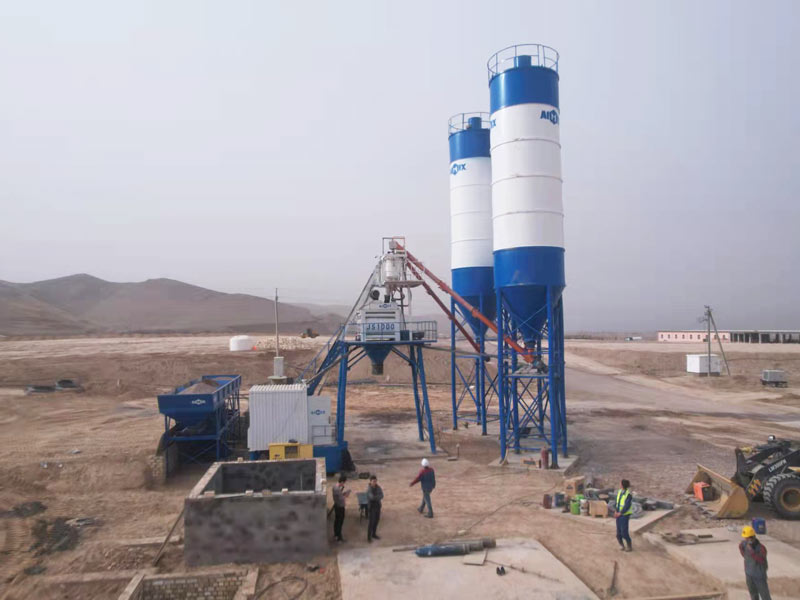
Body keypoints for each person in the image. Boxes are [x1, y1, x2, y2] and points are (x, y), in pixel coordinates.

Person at [739, 525, 771, 600]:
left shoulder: (761, 548)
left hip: (759, 576)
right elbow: (742, 552)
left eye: (747, 538)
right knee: (753, 595)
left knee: (765, 596)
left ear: (752, 537)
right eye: (745, 538)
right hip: (749, 575)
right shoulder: (744, 544)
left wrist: (752, 552)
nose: (745, 539)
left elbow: (761, 559)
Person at [614, 479, 633, 552]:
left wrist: (620, 513)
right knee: (618, 533)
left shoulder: (628, 494)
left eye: (620, 483)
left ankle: (629, 546)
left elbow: (627, 506)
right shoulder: (619, 492)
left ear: (622, 485)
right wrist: (616, 510)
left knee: (624, 532)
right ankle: (622, 545)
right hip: (618, 514)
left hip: (624, 515)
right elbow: (617, 502)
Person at [332, 474, 350, 542]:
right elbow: (341, 498)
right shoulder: (337, 489)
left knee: (337, 521)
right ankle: (339, 536)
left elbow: (340, 495)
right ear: (342, 482)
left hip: (337, 505)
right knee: (340, 522)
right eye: (344, 482)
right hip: (340, 507)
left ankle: (336, 535)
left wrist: (343, 493)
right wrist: (346, 494)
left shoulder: (335, 486)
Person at [366, 475, 384, 542]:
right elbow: (372, 497)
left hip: (378, 506)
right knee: (371, 522)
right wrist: (377, 497)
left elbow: (382, 495)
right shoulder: (369, 489)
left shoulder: (378, 487)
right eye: (373, 481)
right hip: (372, 507)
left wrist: (376, 497)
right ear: (370, 482)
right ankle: (369, 537)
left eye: (375, 481)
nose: (375, 482)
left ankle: (374, 534)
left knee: (376, 521)